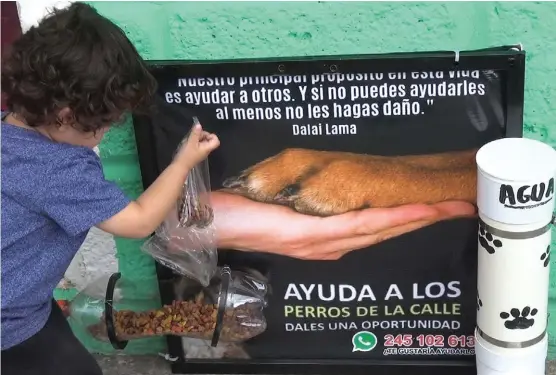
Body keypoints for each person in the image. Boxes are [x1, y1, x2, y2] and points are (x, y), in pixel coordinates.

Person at [0, 3, 220, 375]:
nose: (105, 133)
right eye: (103, 124)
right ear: (67, 116)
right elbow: (138, 222)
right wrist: (182, 163)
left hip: (24, 301)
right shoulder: (58, 168)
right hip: (10, 322)